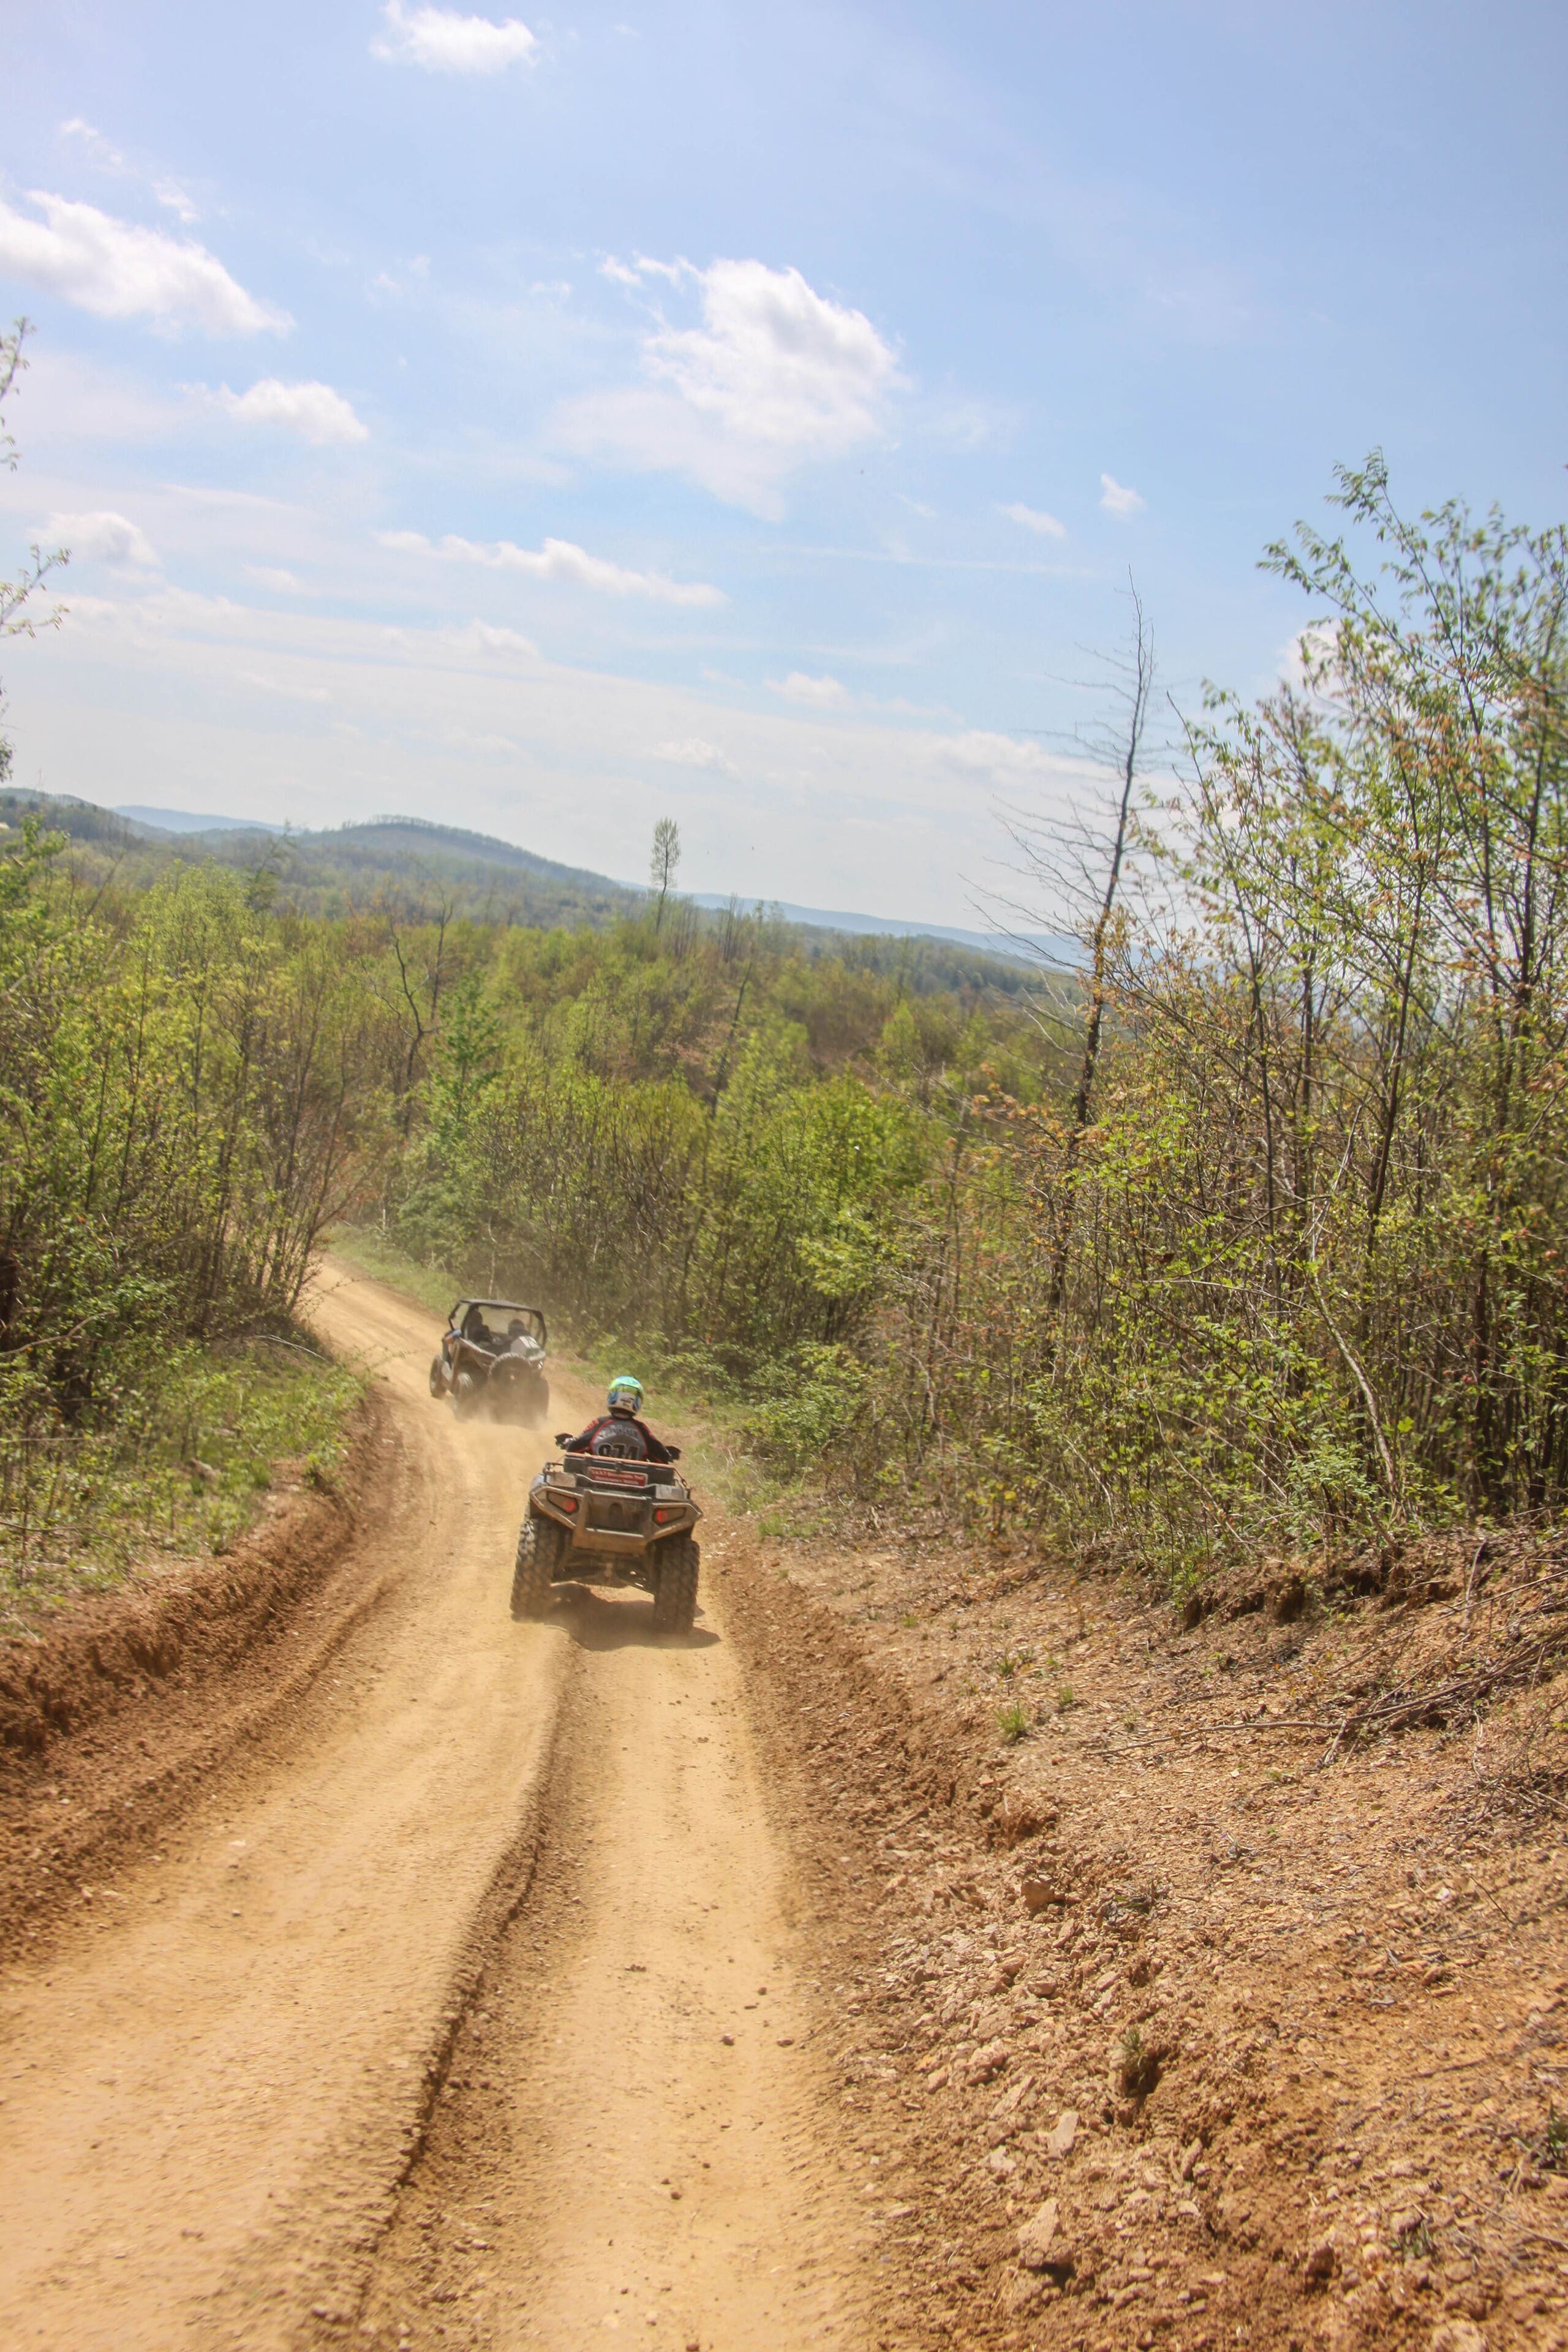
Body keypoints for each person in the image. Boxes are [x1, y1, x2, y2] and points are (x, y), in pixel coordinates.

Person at [563, 1375, 677, 1464]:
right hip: (635, 1489)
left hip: (595, 1483)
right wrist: (668, 1454)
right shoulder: (642, 1430)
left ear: (612, 1396)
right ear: (637, 1402)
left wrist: (568, 1442)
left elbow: (575, 1448)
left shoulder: (599, 1424)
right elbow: (662, 1457)